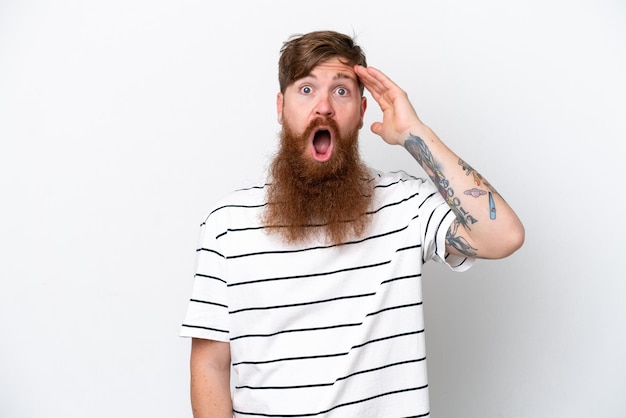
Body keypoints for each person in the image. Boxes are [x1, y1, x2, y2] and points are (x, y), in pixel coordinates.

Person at [180, 30, 524, 418]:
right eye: (306, 90)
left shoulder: (404, 206)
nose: (323, 107)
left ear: (362, 112)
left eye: (341, 91)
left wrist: (415, 134)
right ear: (281, 107)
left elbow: (503, 235)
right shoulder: (227, 225)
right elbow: (210, 364)